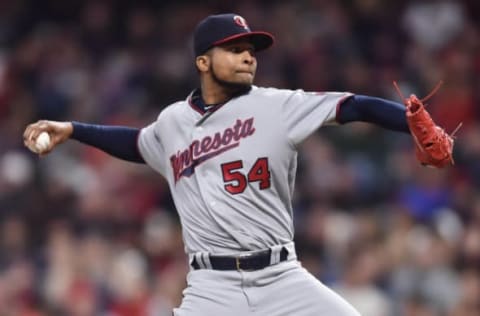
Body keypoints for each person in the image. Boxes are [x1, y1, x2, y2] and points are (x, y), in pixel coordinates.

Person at [23, 13, 450, 316]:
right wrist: (73, 128)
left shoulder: (277, 105)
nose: (248, 56)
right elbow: (138, 143)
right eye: (234, 49)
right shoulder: (173, 121)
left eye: (250, 50)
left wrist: (409, 126)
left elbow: (353, 106)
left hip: (282, 277)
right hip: (213, 288)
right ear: (202, 62)